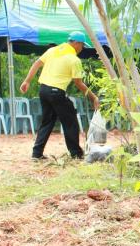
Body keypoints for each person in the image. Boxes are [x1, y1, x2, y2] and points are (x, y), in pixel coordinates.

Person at [20, 31, 99, 160]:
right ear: (76, 43)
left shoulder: (53, 50)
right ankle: (76, 154)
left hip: (43, 90)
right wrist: (93, 97)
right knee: (70, 121)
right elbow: (78, 83)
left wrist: (27, 81)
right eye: (82, 46)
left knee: (47, 121)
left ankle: (36, 153)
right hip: (56, 92)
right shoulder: (74, 59)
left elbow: (37, 64)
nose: (82, 48)